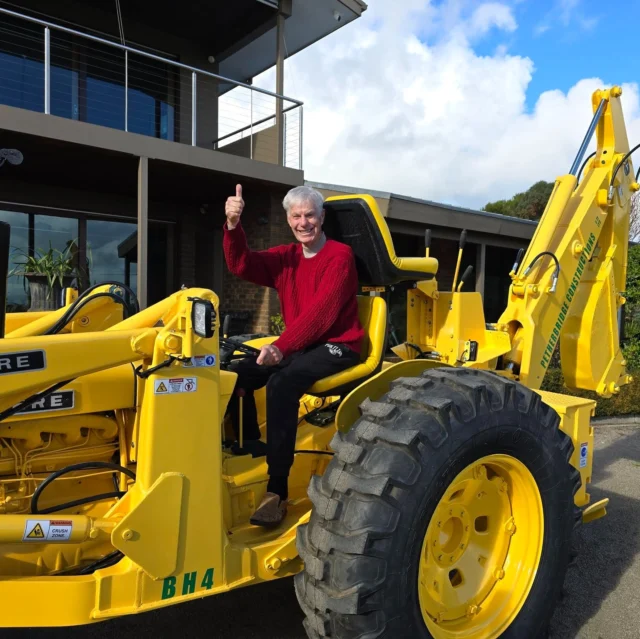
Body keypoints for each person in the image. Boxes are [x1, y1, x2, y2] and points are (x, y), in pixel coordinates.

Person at [223, 184, 364, 527]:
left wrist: (280, 347)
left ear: (322, 217)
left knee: (282, 384)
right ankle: (247, 446)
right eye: (297, 216)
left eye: (310, 215)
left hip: (339, 345)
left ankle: (277, 490)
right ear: (288, 219)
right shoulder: (286, 257)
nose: (304, 222)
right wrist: (232, 225)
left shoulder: (340, 257)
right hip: (303, 345)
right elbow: (242, 264)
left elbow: (322, 315)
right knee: (238, 373)